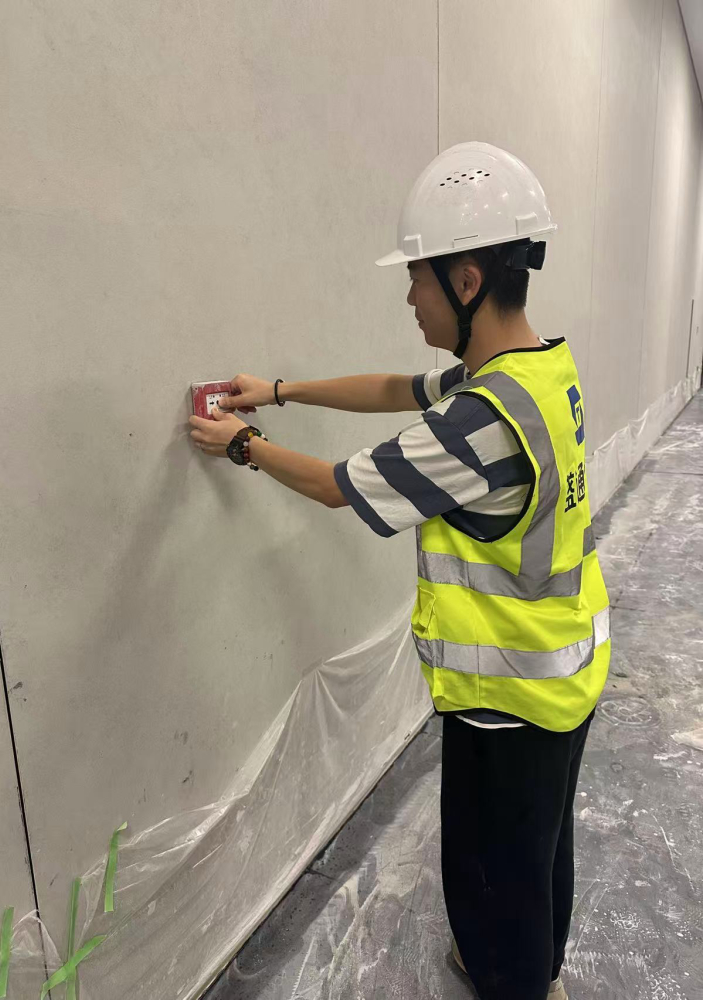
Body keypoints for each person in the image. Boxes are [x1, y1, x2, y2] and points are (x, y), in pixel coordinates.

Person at [189, 141, 611, 1000]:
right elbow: (394, 389)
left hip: (510, 699)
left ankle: (517, 982)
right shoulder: (533, 371)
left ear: (466, 280)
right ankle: (526, 972)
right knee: (538, 857)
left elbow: (337, 488)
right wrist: (278, 389)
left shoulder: (480, 425)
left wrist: (241, 443)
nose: (409, 297)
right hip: (566, 671)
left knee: (497, 878)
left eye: (417, 278)